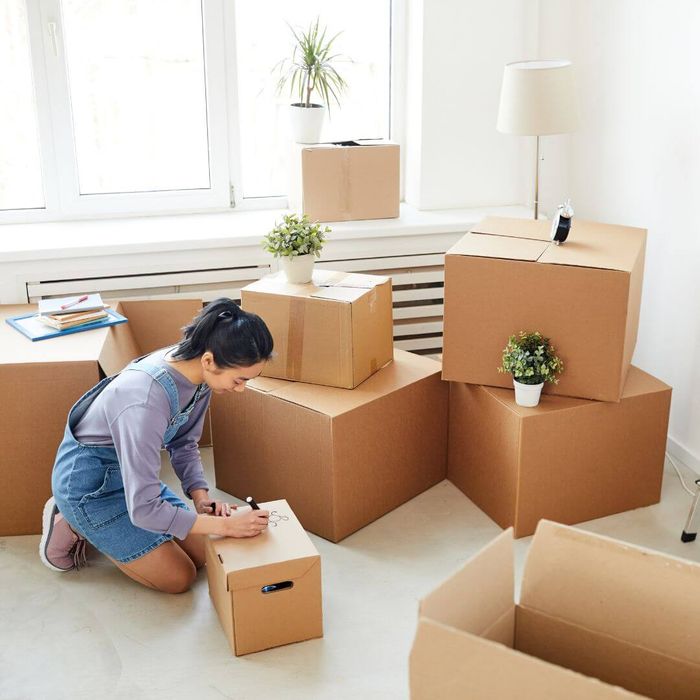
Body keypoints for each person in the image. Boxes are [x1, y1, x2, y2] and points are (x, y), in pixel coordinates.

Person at [39, 298, 274, 594]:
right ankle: (70, 521)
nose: (241, 390)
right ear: (209, 360)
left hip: (133, 480)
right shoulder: (144, 399)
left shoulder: (197, 375)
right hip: (91, 492)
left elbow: (185, 442)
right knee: (179, 578)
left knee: (204, 555)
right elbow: (145, 510)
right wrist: (227, 526)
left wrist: (201, 499)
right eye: (239, 380)